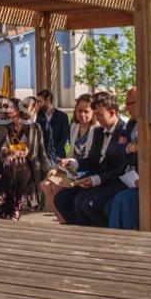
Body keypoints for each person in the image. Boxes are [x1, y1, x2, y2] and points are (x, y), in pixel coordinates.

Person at [54, 91, 134, 227]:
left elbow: (119, 167)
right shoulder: (98, 131)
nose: (96, 119)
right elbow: (94, 160)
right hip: (99, 176)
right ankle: (77, 231)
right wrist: (74, 163)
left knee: (85, 204)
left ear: (112, 113)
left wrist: (95, 180)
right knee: (61, 198)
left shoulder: (124, 131)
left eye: (99, 115)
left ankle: (102, 236)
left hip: (116, 179)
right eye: (95, 114)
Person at [0, 97, 49, 220]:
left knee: (17, 162)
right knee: (13, 162)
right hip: (8, 165)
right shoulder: (6, 128)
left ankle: (6, 197)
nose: (9, 110)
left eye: (12, 107)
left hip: (29, 166)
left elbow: (37, 151)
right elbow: (2, 150)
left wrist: (23, 153)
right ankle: (16, 204)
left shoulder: (32, 127)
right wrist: (11, 151)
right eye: (7, 107)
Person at [42, 95, 98, 224]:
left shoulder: (96, 129)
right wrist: (59, 168)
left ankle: (66, 221)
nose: (82, 115)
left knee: (56, 188)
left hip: (87, 170)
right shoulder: (74, 127)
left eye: (86, 111)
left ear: (93, 112)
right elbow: (71, 153)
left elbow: (91, 160)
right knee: (45, 185)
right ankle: (62, 220)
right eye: (79, 111)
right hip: (72, 168)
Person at [35, 89, 71, 161]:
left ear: (48, 100)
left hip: (58, 155)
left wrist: (53, 153)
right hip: (41, 156)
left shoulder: (62, 116)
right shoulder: (37, 117)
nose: (37, 104)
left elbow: (64, 138)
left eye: (39, 101)